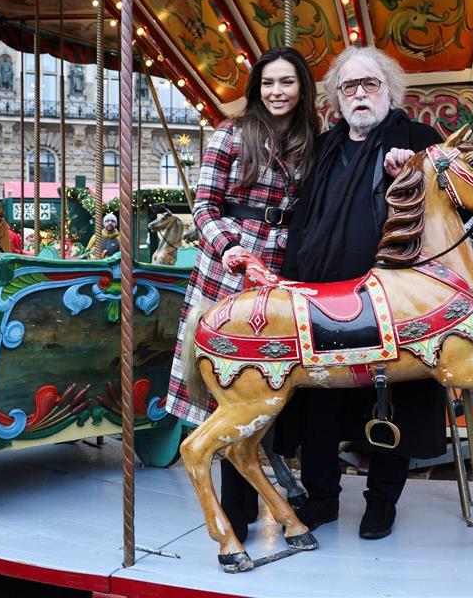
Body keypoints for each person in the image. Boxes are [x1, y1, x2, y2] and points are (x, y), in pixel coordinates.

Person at [277, 46, 447, 540]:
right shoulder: (324, 147)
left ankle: (381, 503)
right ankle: (323, 498)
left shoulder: (417, 140)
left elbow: (459, 212)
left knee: (389, 398)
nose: (359, 95)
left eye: (369, 84)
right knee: (318, 399)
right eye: (348, 87)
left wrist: (417, 172)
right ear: (337, 99)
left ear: (390, 91)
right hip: (323, 294)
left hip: (391, 300)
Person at [164, 47, 319, 543]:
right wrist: (230, 249)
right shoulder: (232, 133)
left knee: (266, 383)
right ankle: (235, 508)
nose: (277, 91)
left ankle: (267, 490)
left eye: (287, 82)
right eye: (269, 82)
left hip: (283, 263)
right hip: (230, 264)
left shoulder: (309, 139)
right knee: (229, 383)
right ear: (257, 88)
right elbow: (205, 205)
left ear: (302, 89)